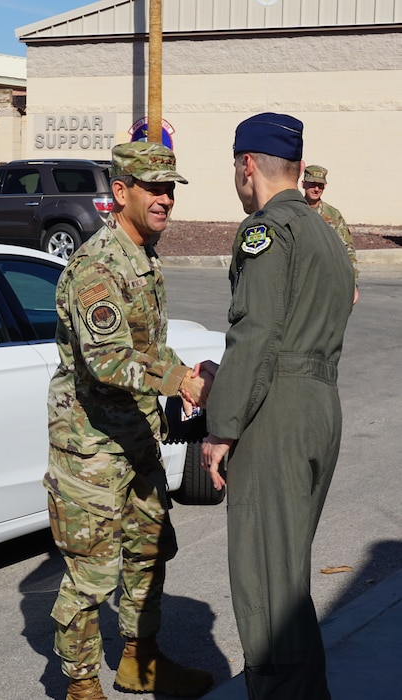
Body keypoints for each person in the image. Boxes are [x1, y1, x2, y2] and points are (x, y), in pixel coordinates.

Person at [44, 141, 214, 700]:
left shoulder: (146, 257)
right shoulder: (97, 266)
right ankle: (82, 686)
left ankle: (139, 664)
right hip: (91, 449)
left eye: (170, 188)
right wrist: (181, 381)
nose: (165, 198)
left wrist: (185, 374)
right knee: (90, 578)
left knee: (148, 554)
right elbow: (110, 359)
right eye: (153, 188)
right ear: (121, 193)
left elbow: (150, 347)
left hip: (137, 439)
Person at [200, 113, 354, 700]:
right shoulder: (323, 232)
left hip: (278, 413)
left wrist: (222, 429)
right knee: (287, 584)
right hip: (321, 406)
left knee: (265, 589)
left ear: (247, 166)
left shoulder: (267, 229)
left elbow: (256, 333)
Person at [302, 164, 359, 304]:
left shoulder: (332, 215)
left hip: (326, 282)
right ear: (303, 184)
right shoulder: (293, 210)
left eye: (320, 185)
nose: (316, 189)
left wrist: (353, 283)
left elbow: (347, 249)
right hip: (300, 281)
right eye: (312, 184)